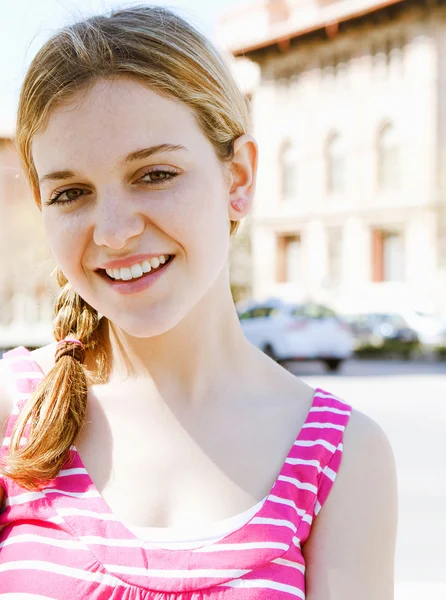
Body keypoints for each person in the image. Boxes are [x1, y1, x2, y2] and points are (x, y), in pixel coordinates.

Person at [0, 5, 397, 599]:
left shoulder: (341, 458)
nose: (112, 231)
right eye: (71, 192)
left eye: (155, 174)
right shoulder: (13, 413)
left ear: (237, 178)